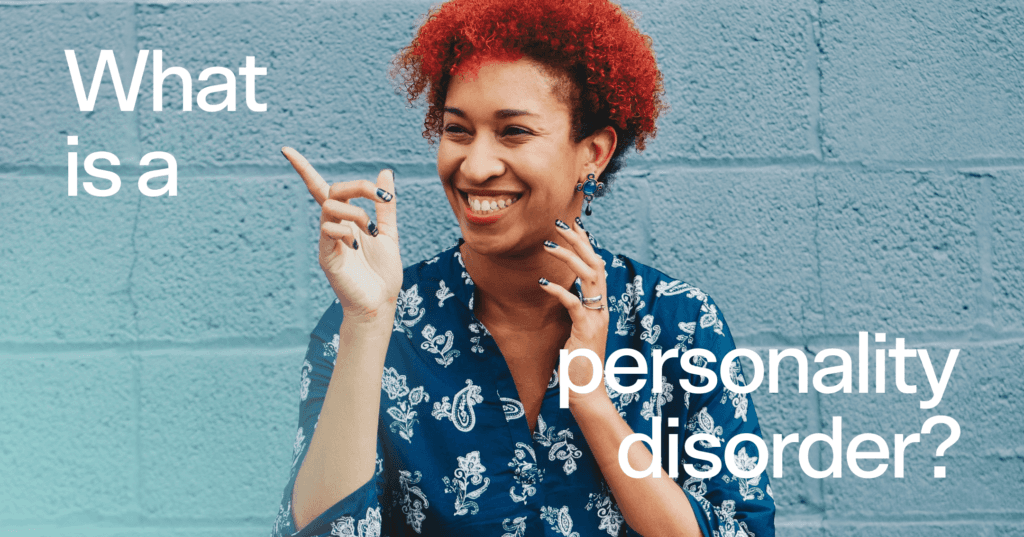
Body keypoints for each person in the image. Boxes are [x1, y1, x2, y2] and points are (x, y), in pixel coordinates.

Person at [271, 0, 776, 535]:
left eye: (514, 132)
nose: (476, 166)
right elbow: (321, 529)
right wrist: (369, 323)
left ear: (594, 153)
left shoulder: (676, 322)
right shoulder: (371, 321)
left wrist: (593, 404)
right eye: (457, 130)